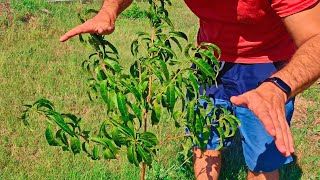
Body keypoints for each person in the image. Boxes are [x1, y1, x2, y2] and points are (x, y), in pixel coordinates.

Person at [60, 0, 320, 179]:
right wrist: (109, 11)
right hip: (206, 57)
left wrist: (278, 86)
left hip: (265, 65)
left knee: (262, 161)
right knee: (204, 140)